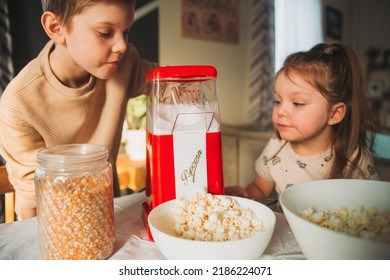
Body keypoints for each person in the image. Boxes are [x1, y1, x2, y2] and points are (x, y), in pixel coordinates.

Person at [0, 0, 157, 220]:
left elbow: (168, 82)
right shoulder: (19, 104)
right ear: (56, 27)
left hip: (110, 218)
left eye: (126, 32)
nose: (121, 45)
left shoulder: (124, 63)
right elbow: (30, 202)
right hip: (58, 228)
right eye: (104, 33)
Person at [225, 43, 380, 203]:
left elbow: (373, 211)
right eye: (277, 101)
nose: (281, 111)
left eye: (297, 103)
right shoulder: (276, 146)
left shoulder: (354, 159)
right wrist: (245, 194)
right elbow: (259, 188)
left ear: (334, 113)